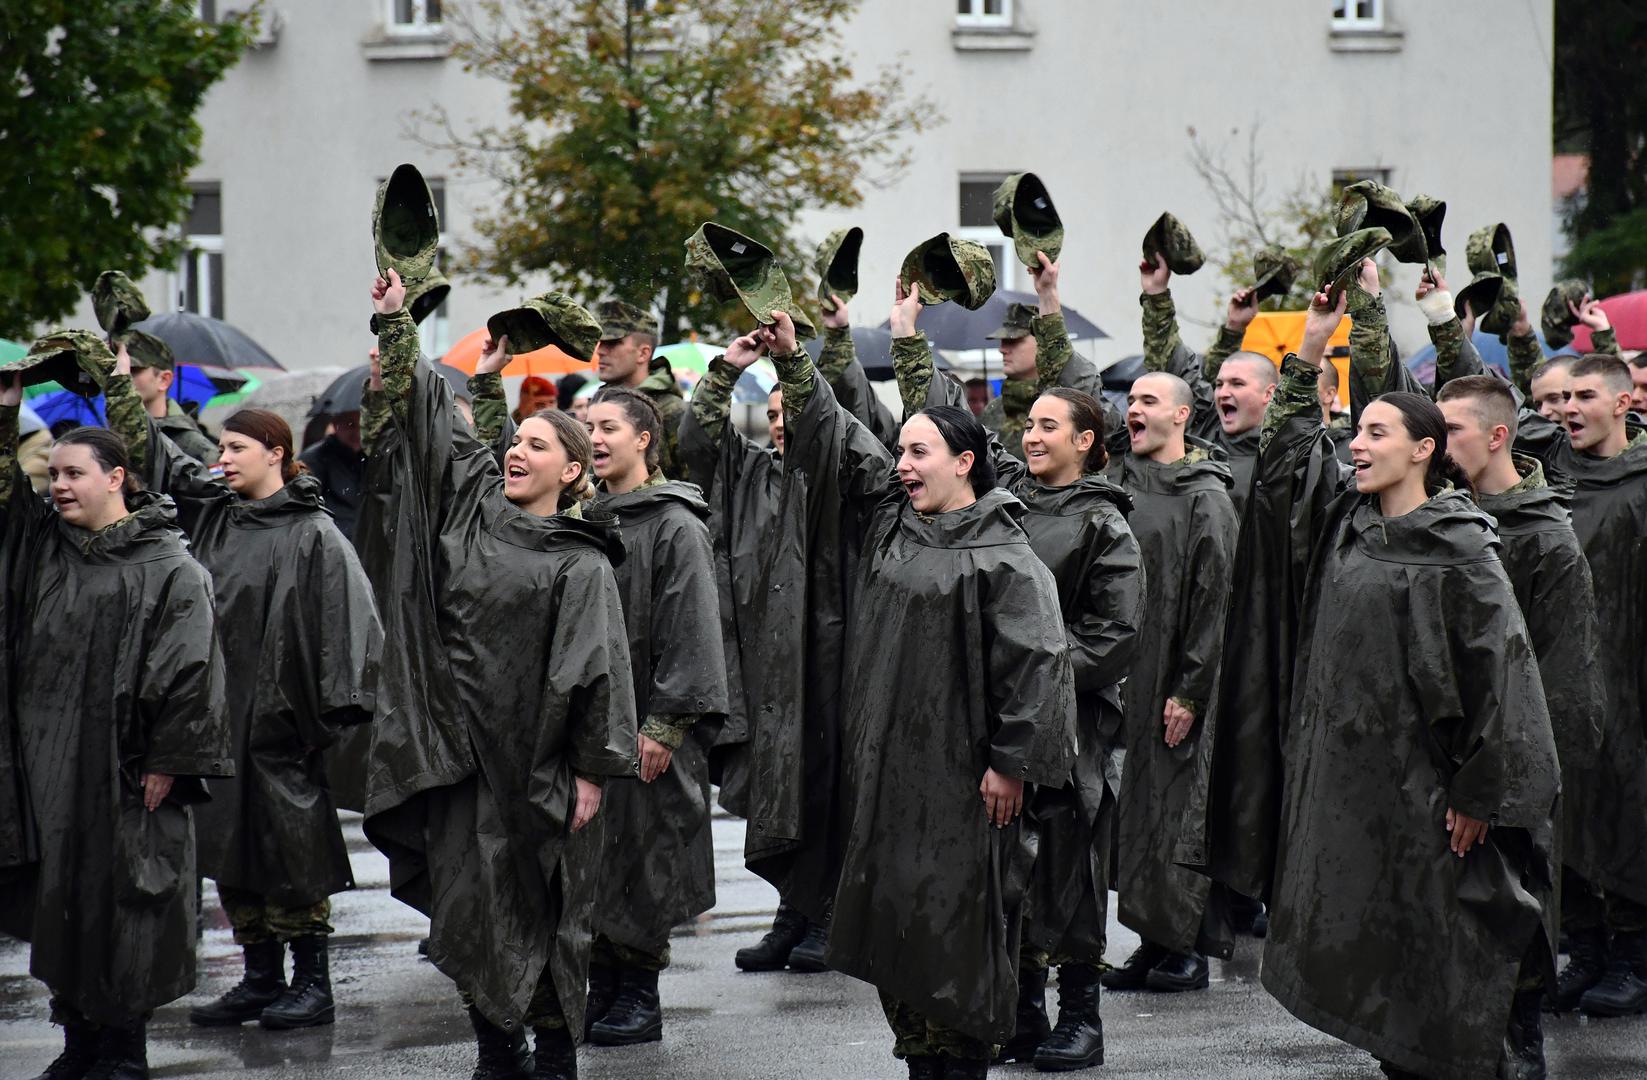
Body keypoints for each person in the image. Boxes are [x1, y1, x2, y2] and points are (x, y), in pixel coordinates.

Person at [1211, 286, 1559, 1080]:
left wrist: (1479, 793)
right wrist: (1310, 344)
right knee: (1380, 967)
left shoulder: (1462, 550)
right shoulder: (1347, 521)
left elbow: (1500, 680)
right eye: (1356, 431)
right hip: (1354, 789)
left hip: (1430, 795)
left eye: (1375, 432)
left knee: (1438, 964)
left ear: (1423, 449)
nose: (1356, 445)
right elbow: (1287, 457)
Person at [744, 305, 1075, 1079]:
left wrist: (1011, 764)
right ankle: (922, 1059)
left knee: (954, 932)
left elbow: (1039, 665)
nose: (901, 463)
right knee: (896, 927)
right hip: (887, 777)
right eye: (900, 451)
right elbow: (833, 437)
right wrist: (796, 360)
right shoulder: (895, 524)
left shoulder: (1005, 556)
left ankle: (957, 1059)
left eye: (919, 451)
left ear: (964, 462)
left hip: (966, 787)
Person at [360, 272, 638, 1080]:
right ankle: (493, 1045)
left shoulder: (581, 565)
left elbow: (598, 672)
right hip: (457, 756)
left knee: (542, 904)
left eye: (538, 446)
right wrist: (395, 324)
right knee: (469, 905)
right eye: (515, 442)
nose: (518, 451)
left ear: (574, 473)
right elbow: (429, 423)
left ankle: (553, 1049)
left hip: (539, 766)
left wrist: (591, 770)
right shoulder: (473, 511)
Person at [890, 300, 1143, 1072]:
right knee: (1012, 869)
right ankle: (1023, 1012)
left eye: (1047, 427)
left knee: (1068, 868)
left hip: (1071, 723)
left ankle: (1082, 1016)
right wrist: (905, 340)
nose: (1029, 436)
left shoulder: (1106, 523)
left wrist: (1035, 667)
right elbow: (940, 429)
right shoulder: (1005, 503)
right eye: (1025, 425)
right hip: (1002, 712)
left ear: (1085, 441)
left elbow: (1115, 634)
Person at [102, 345, 383, 1034]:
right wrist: (121, 391)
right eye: (220, 446)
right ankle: (259, 977)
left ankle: (311, 983)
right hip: (220, 718)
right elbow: (159, 458)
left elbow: (353, 630)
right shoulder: (216, 516)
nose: (221, 458)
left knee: (294, 850)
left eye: (234, 446)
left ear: (276, 454)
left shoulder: (315, 534)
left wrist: (322, 723)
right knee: (227, 846)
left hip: (284, 728)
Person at [0, 368, 230, 1080]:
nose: (59, 485)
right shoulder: (47, 551)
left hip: (130, 767)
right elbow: (6, 494)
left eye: (74, 473)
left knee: (129, 899)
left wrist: (170, 758)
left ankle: (124, 1046)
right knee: (62, 899)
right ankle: (79, 1041)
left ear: (117, 477)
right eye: (54, 474)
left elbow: (192, 672)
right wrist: (7, 408)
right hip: (50, 761)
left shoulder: (170, 568)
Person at [555, 385, 727, 1047]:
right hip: (593, 722)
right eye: (586, 426)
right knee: (593, 855)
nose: (593, 438)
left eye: (606, 428)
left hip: (651, 722)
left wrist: (666, 723)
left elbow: (691, 625)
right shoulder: (587, 514)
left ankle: (640, 993)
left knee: (645, 857)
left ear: (643, 439)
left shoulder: (674, 523)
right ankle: (601, 984)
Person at [1097, 366, 1237, 994]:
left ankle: (1187, 946)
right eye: (1130, 399)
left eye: (1149, 400)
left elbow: (1215, 601)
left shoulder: (1206, 496)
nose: (1134, 409)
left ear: (1182, 415)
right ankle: (1153, 939)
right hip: (1124, 672)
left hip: (1173, 680)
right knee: (1134, 815)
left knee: (1176, 813)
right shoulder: (1117, 482)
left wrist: (1191, 688)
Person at [1525, 353, 1647, 1018]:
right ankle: (1587, 949)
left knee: (1624, 809)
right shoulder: (1553, 480)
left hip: (1627, 671)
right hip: (1561, 672)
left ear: (1623, 403)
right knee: (1564, 813)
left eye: (1583, 397)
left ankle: (1634, 954)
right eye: (1561, 396)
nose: (1566, 408)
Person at [1139, 255, 1270, 516]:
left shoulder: (1281, 455)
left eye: (1237, 384)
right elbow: (1172, 365)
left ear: (1269, 394)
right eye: (1219, 384)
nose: (1223, 392)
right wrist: (1156, 295)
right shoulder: (1206, 431)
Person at [980, 254, 1122, 462]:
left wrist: (1047, 295)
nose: (1002, 349)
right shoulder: (994, 410)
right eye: (1002, 342)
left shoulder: (1066, 399)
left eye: (1013, 341)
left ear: (1041, 343)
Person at [594, 300, 686, 479]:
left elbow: (696, 489)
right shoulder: (598, 406)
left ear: (643, 353)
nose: (600, 351)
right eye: (600, 342)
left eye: (612, 343)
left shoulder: (673, 412)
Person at [125, 329, 221, 465]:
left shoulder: (191, 444)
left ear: (164, 379)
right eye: (118, 369)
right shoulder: (109, 436)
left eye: (133, 371)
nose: (122, 377)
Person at [300, 407, 363, 539]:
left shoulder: (372, 455)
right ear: (335, 424)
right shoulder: (315, 458)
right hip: (335, 539)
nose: (357, 432)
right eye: (350, 425)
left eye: (361, 424)